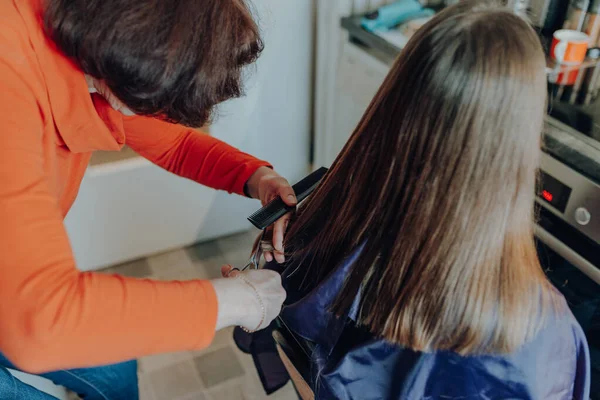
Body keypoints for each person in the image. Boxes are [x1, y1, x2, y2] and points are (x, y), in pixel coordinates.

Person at [234, 1, 592, 399]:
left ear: (395, 99)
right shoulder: (544, 336)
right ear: (516, 147)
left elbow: (297, 356)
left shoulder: (307, 233)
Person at [0, 0, 290, 398]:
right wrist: (233, 301)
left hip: (15, 289)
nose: (162, 116)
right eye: (159, 103)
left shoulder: (94, 49)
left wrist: (255, 176)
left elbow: (172, 144)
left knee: (115, 366)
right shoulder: (9, 72)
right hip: (24, 311)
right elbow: (41, 324)